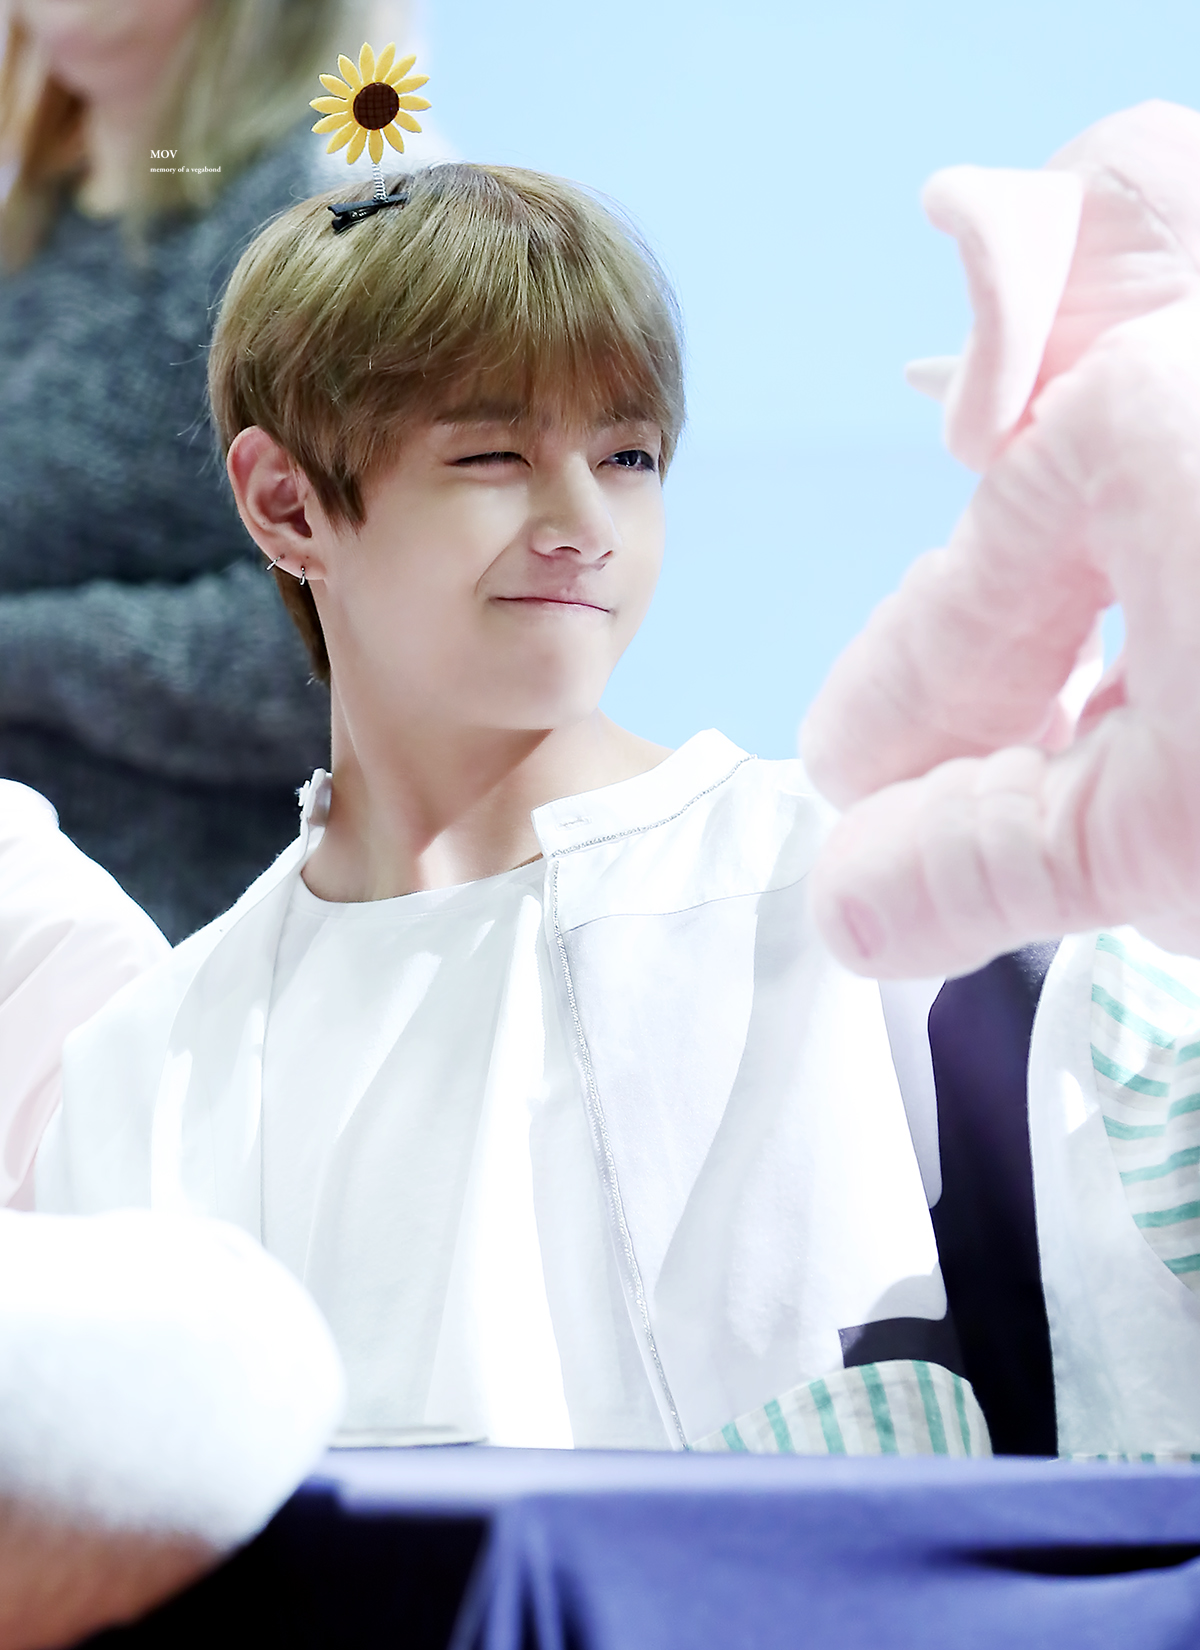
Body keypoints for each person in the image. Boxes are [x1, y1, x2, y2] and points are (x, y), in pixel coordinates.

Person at [36, 160, 989, 1458]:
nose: (584, 522)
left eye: (628, 456)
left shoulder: (846, 886)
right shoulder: (149, 1065)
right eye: (494, 455)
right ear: (286, 503)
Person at [0, 0, 404, 941]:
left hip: (177, 941)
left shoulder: (319, 224)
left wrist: (19, 655)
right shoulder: (31, 227)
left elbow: (346, 634)